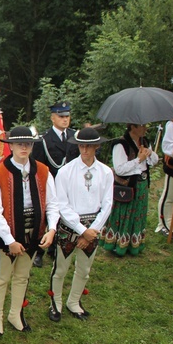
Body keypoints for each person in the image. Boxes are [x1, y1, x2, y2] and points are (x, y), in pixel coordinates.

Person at [0, 127, 58, 338]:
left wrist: (52, 229)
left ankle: (15, 314)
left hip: (33, 232)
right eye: (20, 143)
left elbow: (53, 204)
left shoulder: (44, 171)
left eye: (28, 144)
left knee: (22, 276)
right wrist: (9, 240)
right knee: (2, 278)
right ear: (10, 146)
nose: (24, 147)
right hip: (8, 234)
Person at [49, 128, 113, 322]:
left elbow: (108, 203)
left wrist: (93, 230)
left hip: (93, 226)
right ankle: (56, 303)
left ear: (97, 147)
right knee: (61, 268)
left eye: (89, 146)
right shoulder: (65, 172)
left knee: (84, 269)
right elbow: (61, 204)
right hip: (70, 226)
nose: (84, 150)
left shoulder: (105, 172)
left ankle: (74, 301)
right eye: (81, 146)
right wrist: (82, 230)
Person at [31, 101, 80, 267]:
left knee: (67, 216)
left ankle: (58, 248)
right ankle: (39, 251)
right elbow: (39, 165)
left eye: (67, 116)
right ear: (53, 118)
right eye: (61, 116)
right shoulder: (44, 140)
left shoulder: (75, 136)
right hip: (50, 184)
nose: (65, 119)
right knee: (45, 218)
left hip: (70, 185)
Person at [101, 124, 159, 256]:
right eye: (142, 126)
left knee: (138, 214)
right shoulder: (121, 144)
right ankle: (117, 245)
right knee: (124, 214)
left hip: (142, 184)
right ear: (133, 127)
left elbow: (154, 162)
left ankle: (133, 244)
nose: (145, 128)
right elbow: (120, 169)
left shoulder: (144, 141)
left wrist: (150, 153)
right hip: (126, 186)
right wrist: (139, 160)